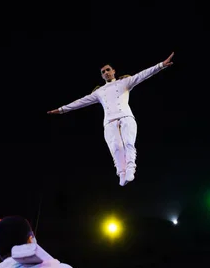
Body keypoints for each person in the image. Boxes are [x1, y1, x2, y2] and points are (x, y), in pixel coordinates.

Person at [47, 52, 175, 186]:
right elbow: (80, 102)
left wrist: (161, 65)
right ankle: (121, 172)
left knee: (128, 143)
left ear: (113, 71)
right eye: (103, 72)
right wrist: (62, 109)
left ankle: (131, 168)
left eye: (108, 70)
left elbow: (143, 75)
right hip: (109, 121)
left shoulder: (124, 82)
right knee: (116, 147)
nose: (106, 72)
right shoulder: (99, 92)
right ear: (102, 76)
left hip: (126, 117)